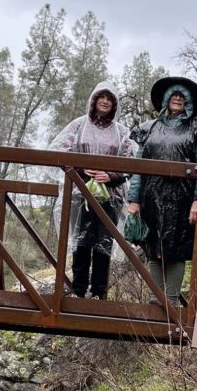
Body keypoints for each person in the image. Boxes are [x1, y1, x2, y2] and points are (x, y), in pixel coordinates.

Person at [126, 76, 197, 305]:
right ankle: (155, 302)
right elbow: (138, 167)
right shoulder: (148, 129)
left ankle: (171, 301)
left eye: (182, 95)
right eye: (173, 94)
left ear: (188, 101)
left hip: (183, 201)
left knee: (177, 250)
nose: (177, 98)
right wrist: (134, 200)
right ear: (166, 99)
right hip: (151, 197)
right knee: (153, 246)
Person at [49, 81, 135, 299]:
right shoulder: (78, 126)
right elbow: (61, 151)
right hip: (80, 194)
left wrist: (111, 175)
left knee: (103, 245)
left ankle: (98, 292)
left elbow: (132, 161)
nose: (105, 101)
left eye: (110, 98)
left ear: (114, 104)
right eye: (101, 97)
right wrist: (81, 167)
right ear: (94, 100)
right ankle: (78, 290)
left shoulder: (122, 132)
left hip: (111, 197)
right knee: (81, 242)